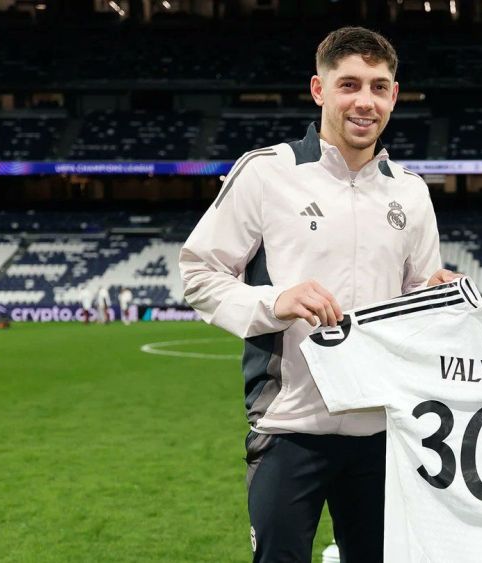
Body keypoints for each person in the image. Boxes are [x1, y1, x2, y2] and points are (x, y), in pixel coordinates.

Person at [179, 26, 455, 563]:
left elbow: (418, 300)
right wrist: (272, 302)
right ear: (318, 89)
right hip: (289, 427)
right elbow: (199, 273)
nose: (364, 101)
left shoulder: (411, 191)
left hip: (383, 430)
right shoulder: (266, 173)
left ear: (394, 96)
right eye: (349, 84)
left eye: (379, 87)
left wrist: (440, 298)